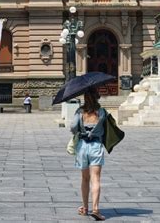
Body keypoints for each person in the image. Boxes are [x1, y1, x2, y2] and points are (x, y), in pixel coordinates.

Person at [70, 87, 107, 221]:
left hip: (82, 147)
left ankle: (85, 208)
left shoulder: (80, 111)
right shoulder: (102, 112)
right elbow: (107, 127)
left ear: (85, 98)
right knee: (96, 178)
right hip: (96, 146)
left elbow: (73, 127)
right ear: (97, 97)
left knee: (85, 179)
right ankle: (96, 209)